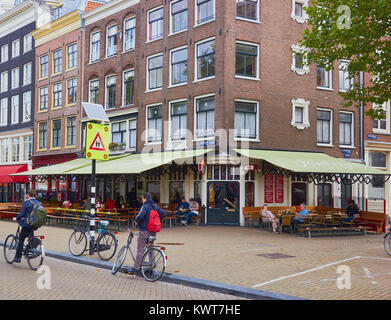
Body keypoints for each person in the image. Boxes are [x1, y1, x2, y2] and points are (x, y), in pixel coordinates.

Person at [127, 192, 167, 274]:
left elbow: (141, 215)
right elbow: (164, 214)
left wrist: (136, 219)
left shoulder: (145, 206)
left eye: (142, 198)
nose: (142, 200)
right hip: (153, 232)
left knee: (140, 250)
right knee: (150, 249)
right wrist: (157, 221)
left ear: (145, 198)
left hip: (144, 231)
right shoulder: (155, 206)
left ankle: (136, 268)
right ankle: (151, 266)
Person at [14, 190, 40, 263]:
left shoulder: (26, 203)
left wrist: (17, 218)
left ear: (28, 195)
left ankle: (18, 257)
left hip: (27, 224)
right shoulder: (38, 203)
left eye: (27, 195)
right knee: (30, 239)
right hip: (34, 224)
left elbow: (22, 214)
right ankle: (30, 251)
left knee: (21, 240)